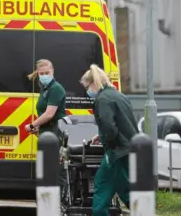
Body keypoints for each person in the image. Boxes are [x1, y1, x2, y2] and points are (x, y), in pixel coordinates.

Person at [80, 64, 139, 216]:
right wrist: (101, 135)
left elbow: (109, 125)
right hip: (128, 148)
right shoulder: (119, 95)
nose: (87, 91)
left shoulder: (102, 99)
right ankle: (142, 210)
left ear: (93, 83)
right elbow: (121, 121)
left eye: (86, 87)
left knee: (103, 185)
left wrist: (110, 145)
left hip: (116, 151)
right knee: (121, 186)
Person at [25, 59, 68, 198]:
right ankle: (48, 200)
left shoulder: (56, 88)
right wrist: (39, 129)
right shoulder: (45, 89)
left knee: (55, 169)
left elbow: (49, 114)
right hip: (46, 132)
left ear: (53, 71)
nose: (44, 75)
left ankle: (59, 201)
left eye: (47, 72)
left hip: (55, 133)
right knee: (46, 169)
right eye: (41, 73)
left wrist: (32, 125)